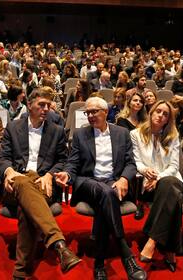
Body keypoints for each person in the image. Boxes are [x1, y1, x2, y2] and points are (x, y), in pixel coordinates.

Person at [55, 97, 146, 280]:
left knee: (106, 197)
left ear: (106, 112)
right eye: (87, 112)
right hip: (88, 182)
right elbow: (72, 163)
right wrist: (68, 175)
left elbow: (130, 164)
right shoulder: (81, 134)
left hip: (114, 183)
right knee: (106, 192)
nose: (90, 116)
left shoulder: (121, 133)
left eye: (94, 111)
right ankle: (125, 252)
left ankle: (99, 264)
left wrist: (123, 179)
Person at [0, 89, 81, 279]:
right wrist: (9, 171)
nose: (45, 109)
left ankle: (21, 271)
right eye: (41, 105)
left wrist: (50, 175)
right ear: (29, 104)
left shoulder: (57, 131)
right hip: (16, 181)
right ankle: (59, 244)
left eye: (48, 106)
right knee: (23, 183)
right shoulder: (13, 127)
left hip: (43, 183)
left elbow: (62, 160)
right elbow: (3, 158)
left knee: (26, 209)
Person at [130, 100, 183, 272]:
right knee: (174, 197)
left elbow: (174, 166)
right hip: (147, 183)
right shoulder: (135, 134)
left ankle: (152, 240)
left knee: (170, 186)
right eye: (158, 111)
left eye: (165, 114)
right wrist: (146, 171)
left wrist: (158, 177)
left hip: (170, 178)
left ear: (169, 119)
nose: (161, 116)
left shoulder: (173, 136)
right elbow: (136, 161)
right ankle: (170, 249)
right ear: (151, 112)